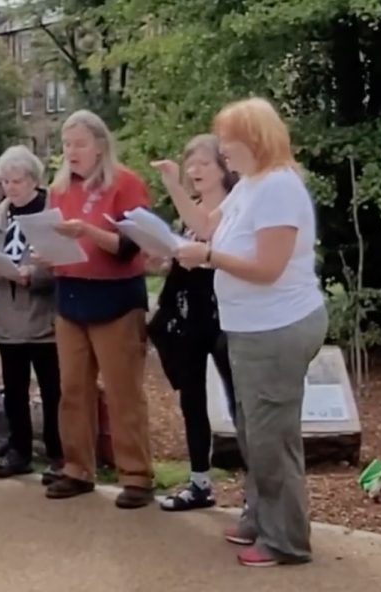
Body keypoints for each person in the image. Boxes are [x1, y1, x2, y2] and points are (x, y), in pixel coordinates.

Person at [175, 97, 327, 567]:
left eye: (229, 140)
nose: (222, 149)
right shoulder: (249, 185)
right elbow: (204, 225)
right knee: (253, 430)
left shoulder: (278, 187)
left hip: (277, 327)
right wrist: (171, 191)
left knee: (272, 438)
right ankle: (260, 518)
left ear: (254, 139)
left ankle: (286, 540)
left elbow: (268, 268)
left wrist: (209, 258)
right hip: (249, 328)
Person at [41, 109, 155, 509]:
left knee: (123, 391)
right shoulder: (58, 189)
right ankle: (77, 468)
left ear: (100, 146)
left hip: (116, 297)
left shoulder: (125, 183)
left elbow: (129, 247)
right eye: (66, 144)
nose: (71, 152)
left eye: (80, 144)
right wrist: (46, 254)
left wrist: (88, 231)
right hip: (70, 294)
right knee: (73, 389)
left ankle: (136, 475)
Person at [148, 135, 239, 511]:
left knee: (239, 400)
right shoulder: (191, 212)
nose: (194, 170)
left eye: (203, 163)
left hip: (224, 315)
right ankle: (200, 481)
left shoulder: (234, 209)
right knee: (192, 398)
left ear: (223, 167)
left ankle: (257, 492)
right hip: (187, 316)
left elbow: (219, 249)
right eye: (190, 163)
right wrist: (163, 259)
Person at [0, 145, 62, 481]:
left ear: (33, 180)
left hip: (44, 317)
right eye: (5, 182)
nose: (10, 188)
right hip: (8, 315)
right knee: (14, 390)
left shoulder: (51, 214)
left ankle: (58, 454)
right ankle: (19, 451)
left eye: (17, 181)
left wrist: (34, 274)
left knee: (53, 391)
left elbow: (61, 262)